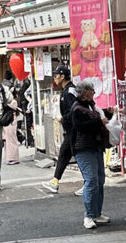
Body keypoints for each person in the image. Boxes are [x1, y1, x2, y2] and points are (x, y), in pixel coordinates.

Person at [70, 80, 110, 229]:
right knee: (92, 180)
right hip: (84, 148)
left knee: (99, 180)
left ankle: (96, 213)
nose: (94, 92)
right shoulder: (77, 109)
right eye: (92, 90)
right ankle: (89, 215)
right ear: (85, 92)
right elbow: (82, 126)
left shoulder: (90, 106)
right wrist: (100, 122)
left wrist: (108, 114)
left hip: (95, 147)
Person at [42, 66, 80, 194]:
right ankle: (55, 181)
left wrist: (62, 118)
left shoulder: (69, 92)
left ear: (62, 76)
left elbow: (74, 110)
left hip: (74, 130)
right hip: (72, 130)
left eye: (56, 75)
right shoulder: (67, 90)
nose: (54, 78)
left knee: (74, 155)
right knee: (65, 155)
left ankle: (88, 182)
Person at [2, 71, 21, 165]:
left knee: (9, 140)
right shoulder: (12, 101)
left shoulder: (7, 100)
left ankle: (10, 157)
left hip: (8, 119)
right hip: (11, 119)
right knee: (11, 139)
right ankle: (12, 157)